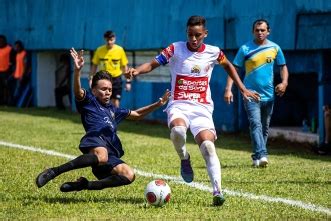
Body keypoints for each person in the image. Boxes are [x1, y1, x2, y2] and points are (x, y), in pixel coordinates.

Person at [125, 15, 260, 206]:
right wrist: (137, 70)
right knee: (178, 130)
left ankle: (217, 192)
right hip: (178, 104)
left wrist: (242, 88)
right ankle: (184, 158)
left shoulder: (213, 52)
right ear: (186, 33)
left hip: (202, 108)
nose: (194, 39)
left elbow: (229, 66)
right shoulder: (175, 49)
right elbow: (153, 63)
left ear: (205, 34)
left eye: (198, 35)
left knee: (207, 146)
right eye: (190, 35)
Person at [35, 48, 170, 192]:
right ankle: (54, 171)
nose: (108, 92)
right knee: (102, 155)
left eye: (110, 90)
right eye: (103, 89)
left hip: (110, 152)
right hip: (95, 141)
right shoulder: (89, 101)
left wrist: (158, 104)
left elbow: (137, 114)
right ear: (93, 90)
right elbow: (77, 91)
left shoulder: (113, 110)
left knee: (129, 175)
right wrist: (77, 71)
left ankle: (85, 185)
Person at [224, 19, 289, 167]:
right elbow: (233, 70)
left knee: (264, 128)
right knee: (255, 124)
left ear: (268, 31)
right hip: (250, 94)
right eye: (257, 30)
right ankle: (262, 154)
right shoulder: (245, 49)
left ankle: (256, 157)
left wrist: (284, 83)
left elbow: (283, 67)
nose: (260, 32)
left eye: (263, 30)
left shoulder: (275, 48)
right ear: (253, 31)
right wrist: (228, 89)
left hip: (269, 95)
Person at [90, 30, 131, 108]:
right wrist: (91, 78)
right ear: (104, 39)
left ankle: (114, 119)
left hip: (116, 79)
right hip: (103, 79)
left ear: (114, 39)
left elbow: (124, 66)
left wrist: (128, 82)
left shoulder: (120, 50)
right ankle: (105, 118)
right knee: (103, 100)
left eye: (111, 40)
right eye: (107, 40)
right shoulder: (99, 50)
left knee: (115, 101)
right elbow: (94, 65)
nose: (109, 42)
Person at [7, 40, 28, 106]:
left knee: (17, 90)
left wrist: (23, 75)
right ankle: (10, 100)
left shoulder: (24, 54)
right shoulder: (17, 55)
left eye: (17, 47)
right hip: (16, 74)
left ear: (21, 47)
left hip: (21, 75)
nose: (16, 48)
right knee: (8, 82)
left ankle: (14, 103)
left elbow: (26, 65)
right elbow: (17, 65)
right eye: (15, 47)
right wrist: (13, 73)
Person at [0, 35, 15, 105]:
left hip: (6, 72)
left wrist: (10, 69)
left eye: (2, 41)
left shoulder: (9, 49)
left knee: (7, 87)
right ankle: (1, 101)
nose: (1, 42)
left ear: (5, 41)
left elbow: (13, 60)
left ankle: (8, 102)